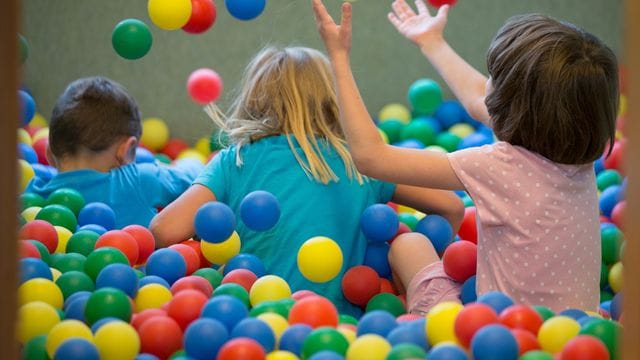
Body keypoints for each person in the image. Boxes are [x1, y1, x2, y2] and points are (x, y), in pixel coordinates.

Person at [312, 0, 618, 313]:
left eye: (493, 77)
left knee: (409, 245)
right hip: (580, 336)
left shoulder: (497, 165)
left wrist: (338, 58)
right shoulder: (579, 155)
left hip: (496, 338)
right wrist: (432, 42)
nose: (486, 86)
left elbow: (371, 157)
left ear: (512, 105)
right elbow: (478, 99)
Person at [150, 46, 464, 315]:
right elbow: (451, 205)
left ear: (255, 99)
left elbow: (164, 231)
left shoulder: (234, 161)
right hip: (344, 326)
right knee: (410, 243)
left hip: (253, 322)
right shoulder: (361, 161)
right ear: (333, 99)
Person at [25, 76, 203, 229]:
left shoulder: (32, 196)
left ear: (49, 154)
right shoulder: (141, 180)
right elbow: (198, 178)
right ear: (125, 151)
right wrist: (184, 163)